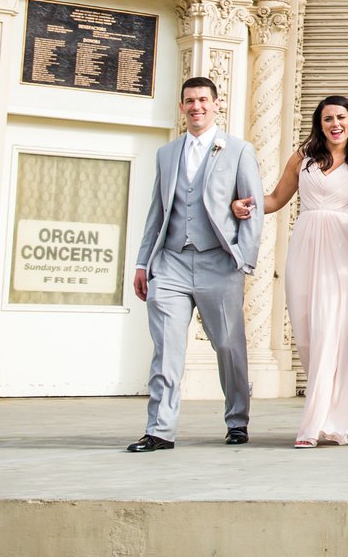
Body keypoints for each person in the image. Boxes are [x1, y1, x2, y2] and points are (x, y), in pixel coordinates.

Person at [233, 94, 348, 447]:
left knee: (333, 331)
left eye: (341, 117)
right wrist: (243, 205)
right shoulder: (302, 159)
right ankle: (337, 414)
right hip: (304, 247)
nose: (335, 124)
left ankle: (313, 426)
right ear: (320, 124)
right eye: (328, 118)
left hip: (343, 254)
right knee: (306, 332)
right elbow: (275, 199)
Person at [127, 77, 263, 452]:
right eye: (190, 100)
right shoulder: (166, 153)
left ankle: (237, 420)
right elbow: (157, 212)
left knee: (228, 346)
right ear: (182, 107)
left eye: (203, 100)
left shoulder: (238, 150)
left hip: (219, 262)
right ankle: (159, 430)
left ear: (217, 104)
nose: (196, 106)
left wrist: (244, 259)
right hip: (170, 262)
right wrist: (143, 262)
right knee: (166, 349)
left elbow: (253, 207)